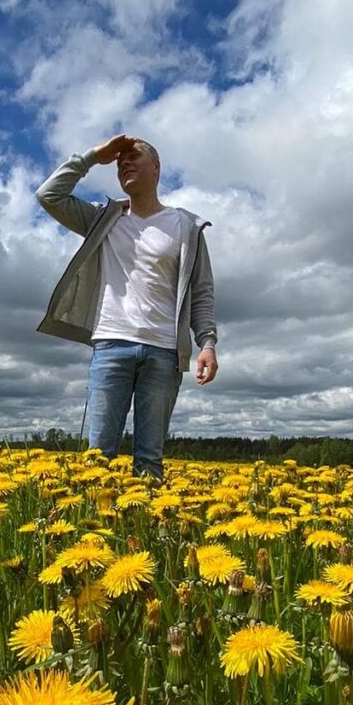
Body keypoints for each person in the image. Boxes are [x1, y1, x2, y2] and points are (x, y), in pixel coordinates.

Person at [35, 134, 218, 480]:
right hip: (111, 345)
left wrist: (207, 342)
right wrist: (92, 157)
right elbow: (48, 195)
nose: (125, 164)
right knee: (98, 460)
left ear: (157, 168)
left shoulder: (186, 227)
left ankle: (143, 532)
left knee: (149, 462)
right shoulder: (105, 218)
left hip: (164, 353)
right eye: (119, 163)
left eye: (134, 157)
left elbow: (202, 290)